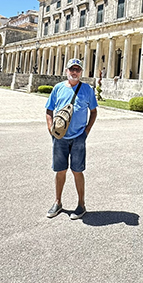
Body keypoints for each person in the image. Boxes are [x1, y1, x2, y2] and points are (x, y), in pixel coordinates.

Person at [45, 58, 98, 220]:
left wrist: (86, 132)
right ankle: (58, 202)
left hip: (78, 137)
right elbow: (49, 110)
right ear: (66, 71)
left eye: (77, 69)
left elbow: (94, 111)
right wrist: (50, 129)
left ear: (81, 72)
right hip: (60, 137)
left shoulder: (87, 89)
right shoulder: (58, 88)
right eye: (71, 69)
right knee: (60, 171)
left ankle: (81, 204)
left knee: (77, 171)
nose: (74, 72)